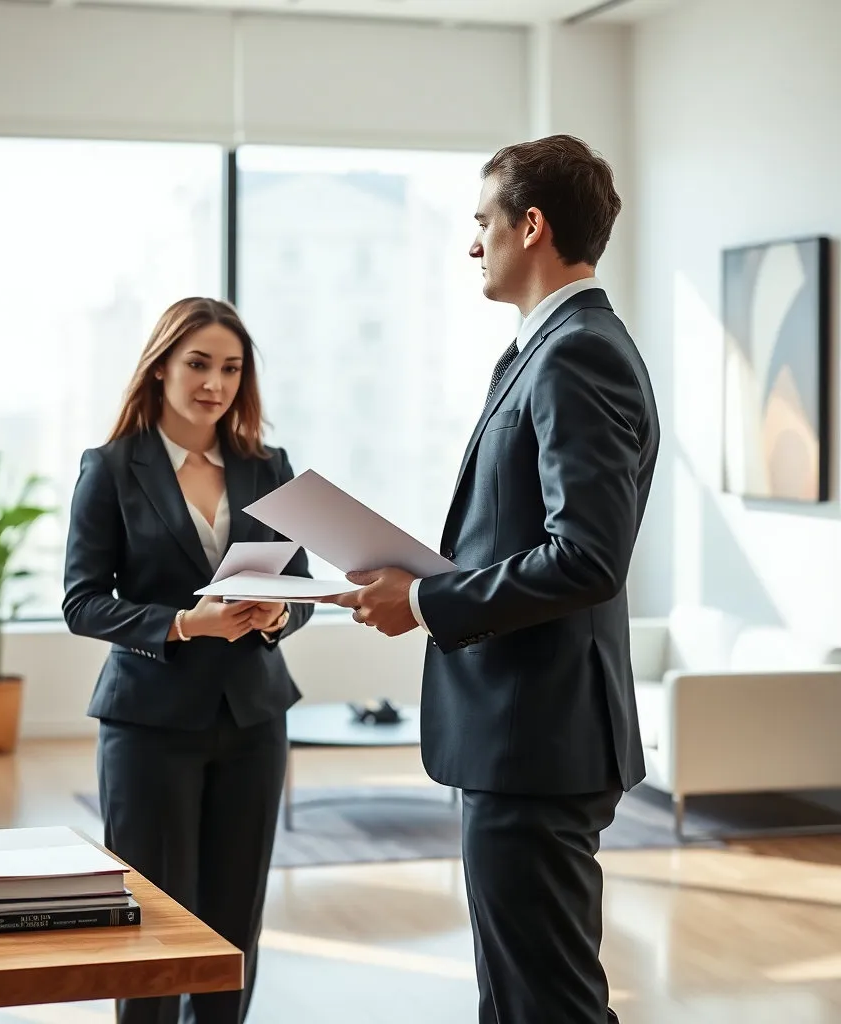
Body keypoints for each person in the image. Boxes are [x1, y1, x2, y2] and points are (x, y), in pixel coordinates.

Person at [325, 135, 660, 1023]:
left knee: (545, 1003)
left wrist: (424, 599)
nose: (473, 243)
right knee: (517, 1000)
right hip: (526, 732)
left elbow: (587, 556)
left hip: (535, 735)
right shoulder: (548, 349)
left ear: (532, 226)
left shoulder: (577, 353)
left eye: (484, 221)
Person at [63, 296, 312, 1024]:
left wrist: (277, 615)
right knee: (151, 918)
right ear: (160, 367)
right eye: (198, 364)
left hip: (254, 719)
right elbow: (82, 602)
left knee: (235, 919)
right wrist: (179, 623)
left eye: (231, 369)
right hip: (149, 722)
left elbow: (300, 587)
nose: (214, 384)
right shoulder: (111, 468)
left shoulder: (270, 468)